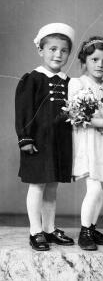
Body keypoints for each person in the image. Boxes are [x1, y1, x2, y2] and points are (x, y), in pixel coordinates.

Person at [15, 23, 75, 251]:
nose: (58, 54)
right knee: (38, 186)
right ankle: (35, 231)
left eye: (63, 50)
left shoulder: (70, 82)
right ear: (41, 50)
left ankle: (49, 229)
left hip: (59, 142)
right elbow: (23, 111)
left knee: (52, 187)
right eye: (52, 49)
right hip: (38, 142)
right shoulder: (32, 79)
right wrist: (25, 138)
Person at [68, 36, 103, 251]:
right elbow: (76, 113)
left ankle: (91, 227)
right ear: (84, 61)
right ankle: (84, 232)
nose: (100, 64)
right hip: (89, 142)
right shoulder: (78, 83)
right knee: (94, 186)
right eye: (94, 59)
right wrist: (102, 122)